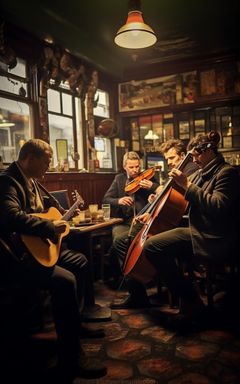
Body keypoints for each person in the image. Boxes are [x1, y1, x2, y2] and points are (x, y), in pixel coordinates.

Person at [0, 139, 107, 381]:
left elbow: (49, 212)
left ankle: (76, 324)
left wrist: (64, 215)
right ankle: (70, 358)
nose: (50, 165)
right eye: (47, 160)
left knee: (80, 261)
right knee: (65, 281)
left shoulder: (33, 182)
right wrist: (49, 226)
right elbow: (10, 217)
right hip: (15, 259)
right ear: (30, 157)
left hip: (34, 250)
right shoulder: (7, 180)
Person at [140, 131, 240, 324]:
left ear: (210, 150)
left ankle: (190, 300)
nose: (193, 160)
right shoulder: (202, 172)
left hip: (214, 236)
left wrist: (186, 185)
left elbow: (217, 206)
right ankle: (189, 299)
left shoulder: (227, 173)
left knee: (153, 246)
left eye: (196, 155)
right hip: (199, 231)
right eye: (192, 156)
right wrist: (156, 201)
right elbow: (175, 195)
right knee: (157, 245)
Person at [109, 139, 197, 309]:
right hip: (148, 218)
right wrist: (152, 203)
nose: (169, 163)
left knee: (133, 243)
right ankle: (139, 290)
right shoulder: (119, 179)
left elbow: (181, 200)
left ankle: (143, 286)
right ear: (124, 167)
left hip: (170, 222)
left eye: (172, 158)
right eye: (168, 159)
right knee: (122, 240)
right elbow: (168, 198)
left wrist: (154, 188)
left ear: (183, 156)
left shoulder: (189, 170)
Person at [102, 151, 159, 286]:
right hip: (124, 221)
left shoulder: (148, 179)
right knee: (118, 239)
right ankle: (129, 278)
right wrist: (119, 200)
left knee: (126, 242)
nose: (135, 170)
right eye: (131, 167)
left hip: (143, 221)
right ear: (124, 166)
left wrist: (153, 198)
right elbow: (106, 199)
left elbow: (159, 196)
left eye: (137, 167)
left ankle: (136, 278)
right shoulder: (119, 179)